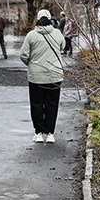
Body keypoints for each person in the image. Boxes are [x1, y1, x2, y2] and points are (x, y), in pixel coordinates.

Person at [19, 8, 65, 144]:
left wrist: (31, 64)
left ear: (37, 20)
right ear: (50, 19)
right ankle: (50, 133)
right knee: (52, 104)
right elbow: (62, 48)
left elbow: (23, 55)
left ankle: (38, 133)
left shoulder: (31, 35)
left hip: (36, 76)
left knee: (37, 104)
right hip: (54, 75)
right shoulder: (57, 34)